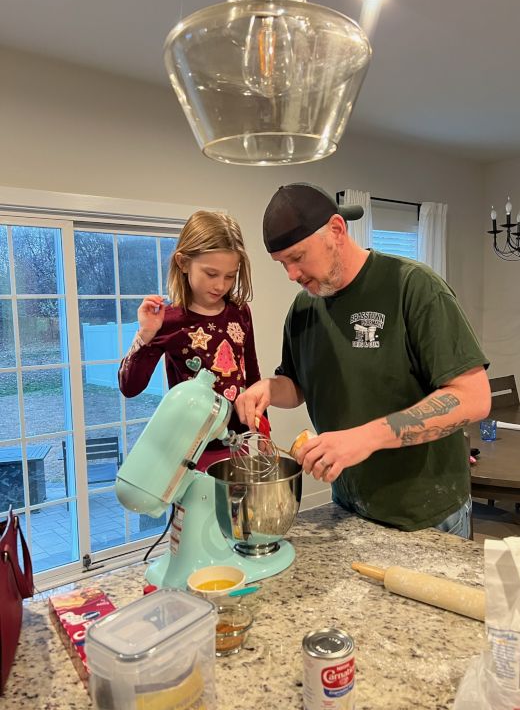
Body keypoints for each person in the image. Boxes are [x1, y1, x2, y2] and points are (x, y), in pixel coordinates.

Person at [235, 183, 491, 537]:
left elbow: (473, 398)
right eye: (283, 264)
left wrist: (365, 438)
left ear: (336, 230)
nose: (292, 274)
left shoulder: (413, 287)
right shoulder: (304, 308)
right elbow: (298, 385)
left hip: (426, 513)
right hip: (349, 505)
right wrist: (267, 389)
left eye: (298, 257)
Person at [119, 210, 262, 470]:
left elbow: (252, 376)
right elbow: (130, 387)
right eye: (211, 274)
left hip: (237, 444)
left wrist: (262, 431)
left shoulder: (241, 312)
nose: (220, 285)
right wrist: (145, 336)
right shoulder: (168, 320)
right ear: (183, 263)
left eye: (230, 276)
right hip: (190, 452)